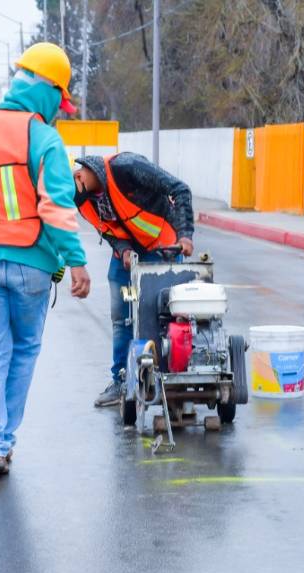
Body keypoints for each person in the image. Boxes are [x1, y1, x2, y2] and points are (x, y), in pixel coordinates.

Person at [0, 42, 91, 477]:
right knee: (23, 351)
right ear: (48, 92)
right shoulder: (43, 136)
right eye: (59, 102)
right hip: (31, 267)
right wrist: (76, 261)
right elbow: (57, 207)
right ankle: (3, 439)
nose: (60, 112)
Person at [73, 153, 194, 408]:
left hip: (164, 248)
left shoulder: (126, 168)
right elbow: (107, 230)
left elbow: (180, 189)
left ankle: (172, 380)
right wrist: (124, 250)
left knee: (167, 314)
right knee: (123, 316)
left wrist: (185, 235)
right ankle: (122, 380)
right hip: (129, 256)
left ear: (79, 175)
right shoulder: (83, 201)